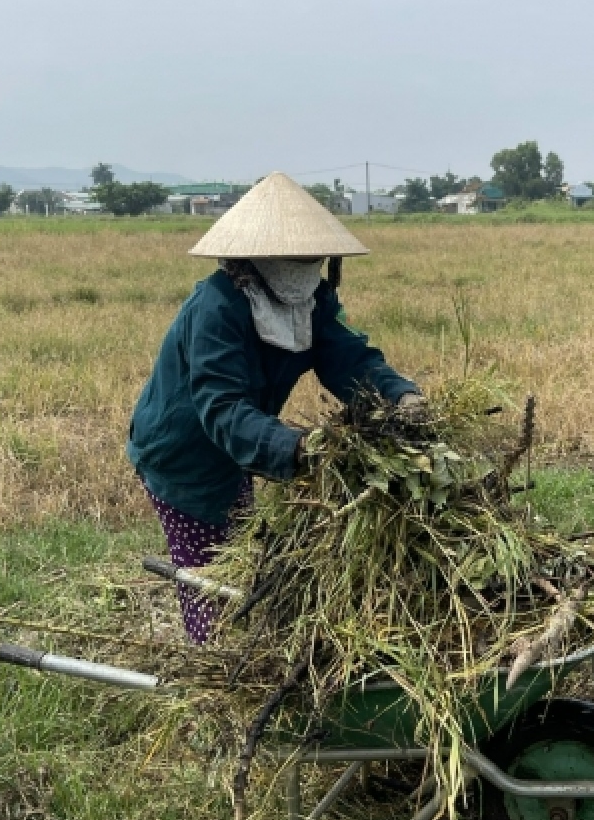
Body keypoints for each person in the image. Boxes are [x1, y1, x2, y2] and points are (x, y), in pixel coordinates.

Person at [127, 173, 421, 643]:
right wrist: (299, 447)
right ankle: (217, 667)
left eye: (312, 259)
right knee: (210, 571)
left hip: (243, 439)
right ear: (257, 256)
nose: (304, 267)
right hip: (183, 451)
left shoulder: (314, 301)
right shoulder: (217, 307)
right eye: (294, 259)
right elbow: (221, 407)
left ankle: (246, 636)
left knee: (243, 541)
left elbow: (349, 358)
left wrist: (399, 396)